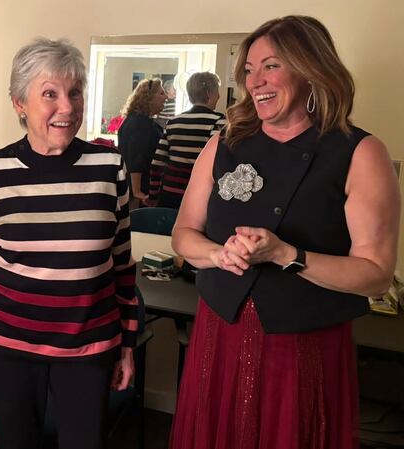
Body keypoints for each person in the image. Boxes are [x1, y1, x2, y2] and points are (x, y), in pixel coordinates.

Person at [169, 15, 399, 449]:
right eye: (250, 69)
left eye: (271, 65)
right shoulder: (224, 142)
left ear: (311, 67)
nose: (256, 80)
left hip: (301, 349)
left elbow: (377, 274)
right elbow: (183, 234)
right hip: (219, 335)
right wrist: (219, 255)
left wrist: (286, 255)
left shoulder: (359, 152)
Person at [0, 38, 139, 449]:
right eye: (50, 94)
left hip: (87, 347)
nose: (68, 107)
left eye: (75, 92)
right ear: (20, 102)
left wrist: (127, 346)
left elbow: (123, 266)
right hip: (7, 346)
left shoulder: (110, 167)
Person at [149, 72, 226, 209]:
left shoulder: (173, 122)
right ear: (209, 94)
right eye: (217, 92)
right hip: (200, 197)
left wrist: (154, 195)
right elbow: (218, 163)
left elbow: (157, 163)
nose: (219, 96)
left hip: (169, 194)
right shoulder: (219, 122)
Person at [117, 78, 167, 208]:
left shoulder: (132, 121)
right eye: (161, 93)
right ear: (148, 98)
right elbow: (136, 159)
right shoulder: (141, 124)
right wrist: (138, 191)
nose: (166, 97)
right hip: (141, 194)